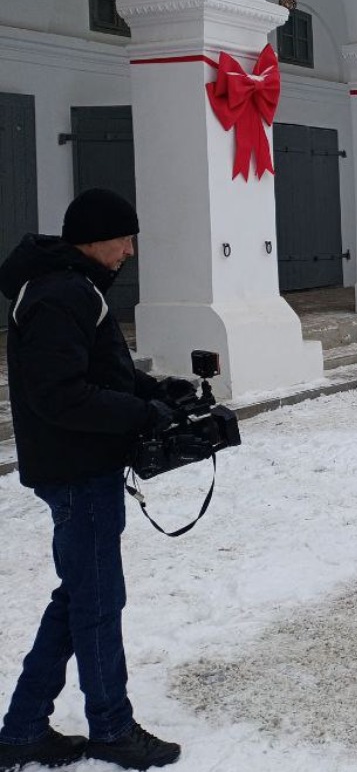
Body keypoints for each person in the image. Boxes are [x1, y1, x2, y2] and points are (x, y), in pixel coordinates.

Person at [0, 189, 182, 770]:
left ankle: (24, 729)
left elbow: (104, 372)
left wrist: (159, 393)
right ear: (93, 239)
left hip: (81, 466)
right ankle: (111, 728)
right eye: (123, 239)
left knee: (80, 594)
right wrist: (139, 414)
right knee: (98, 601)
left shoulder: (75, 288)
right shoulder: (61, 295)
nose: (130, 251)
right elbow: (61, 395)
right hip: (77, 471)